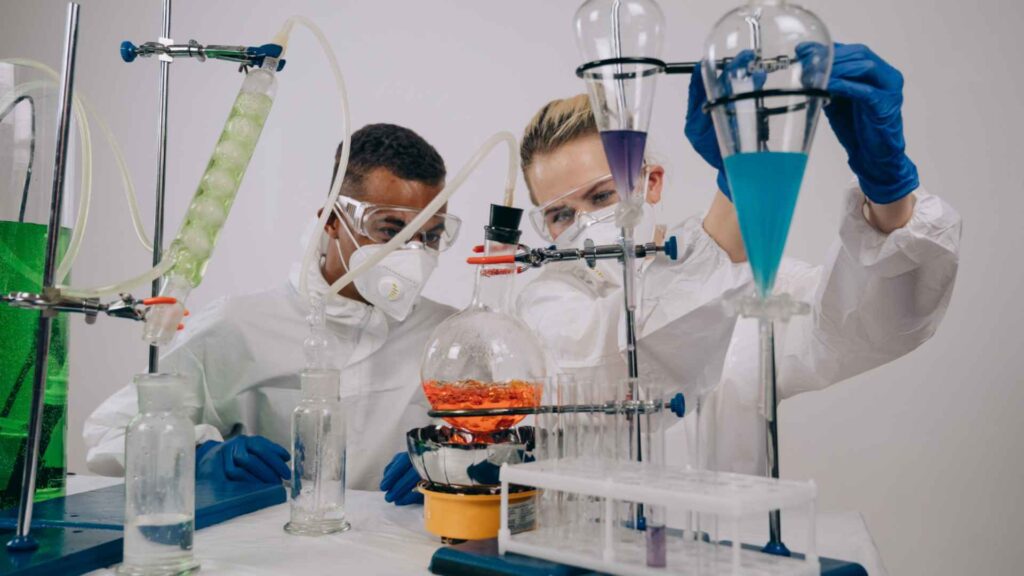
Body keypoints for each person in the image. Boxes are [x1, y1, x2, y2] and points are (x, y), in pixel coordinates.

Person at [517, 43, 962, 474]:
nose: (585, 223)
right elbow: (617, 364)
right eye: (560, 213)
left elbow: (873, 325)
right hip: (591, 544)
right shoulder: (544, 303)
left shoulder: (756, 278)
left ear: (650, 182)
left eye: (601, 195)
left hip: (734, 544)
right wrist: (740, 184)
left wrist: (889, 191)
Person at [85, 124, 459, 500]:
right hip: (265, 552)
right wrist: (200, 456)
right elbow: (109, 434)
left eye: (430, 236)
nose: (413, 254)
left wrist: (455, 462)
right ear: (331, 219)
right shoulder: (240, 326)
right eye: (389, 229)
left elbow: (505, 448)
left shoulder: (451, 337)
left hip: (398, 550)